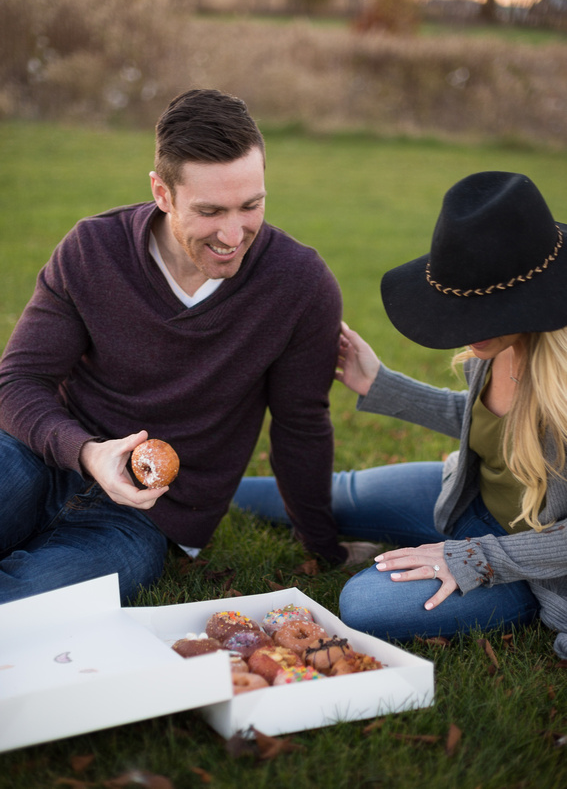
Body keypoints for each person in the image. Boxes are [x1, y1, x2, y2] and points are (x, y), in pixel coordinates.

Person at [0, 88, 377, 606]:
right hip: (42, 459)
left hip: (143, 519)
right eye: (210, 211)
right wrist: (87, 453)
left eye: (251, 205)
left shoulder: (300, 285)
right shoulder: (93, 250)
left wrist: (323, 547)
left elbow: (300, 426)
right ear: (162, 192)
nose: (233, 233)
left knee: (29, 606)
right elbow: (18, 383)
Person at [234, 170, 567, 659]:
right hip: (464, 498)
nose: (466, 331)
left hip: (532, 561)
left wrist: (476, 557)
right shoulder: (507, 343)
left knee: (366, 603)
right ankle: (190, 492)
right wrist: (381, 385)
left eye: (485, 314)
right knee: (319, 495)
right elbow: (490, 424)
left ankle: (474, 581)